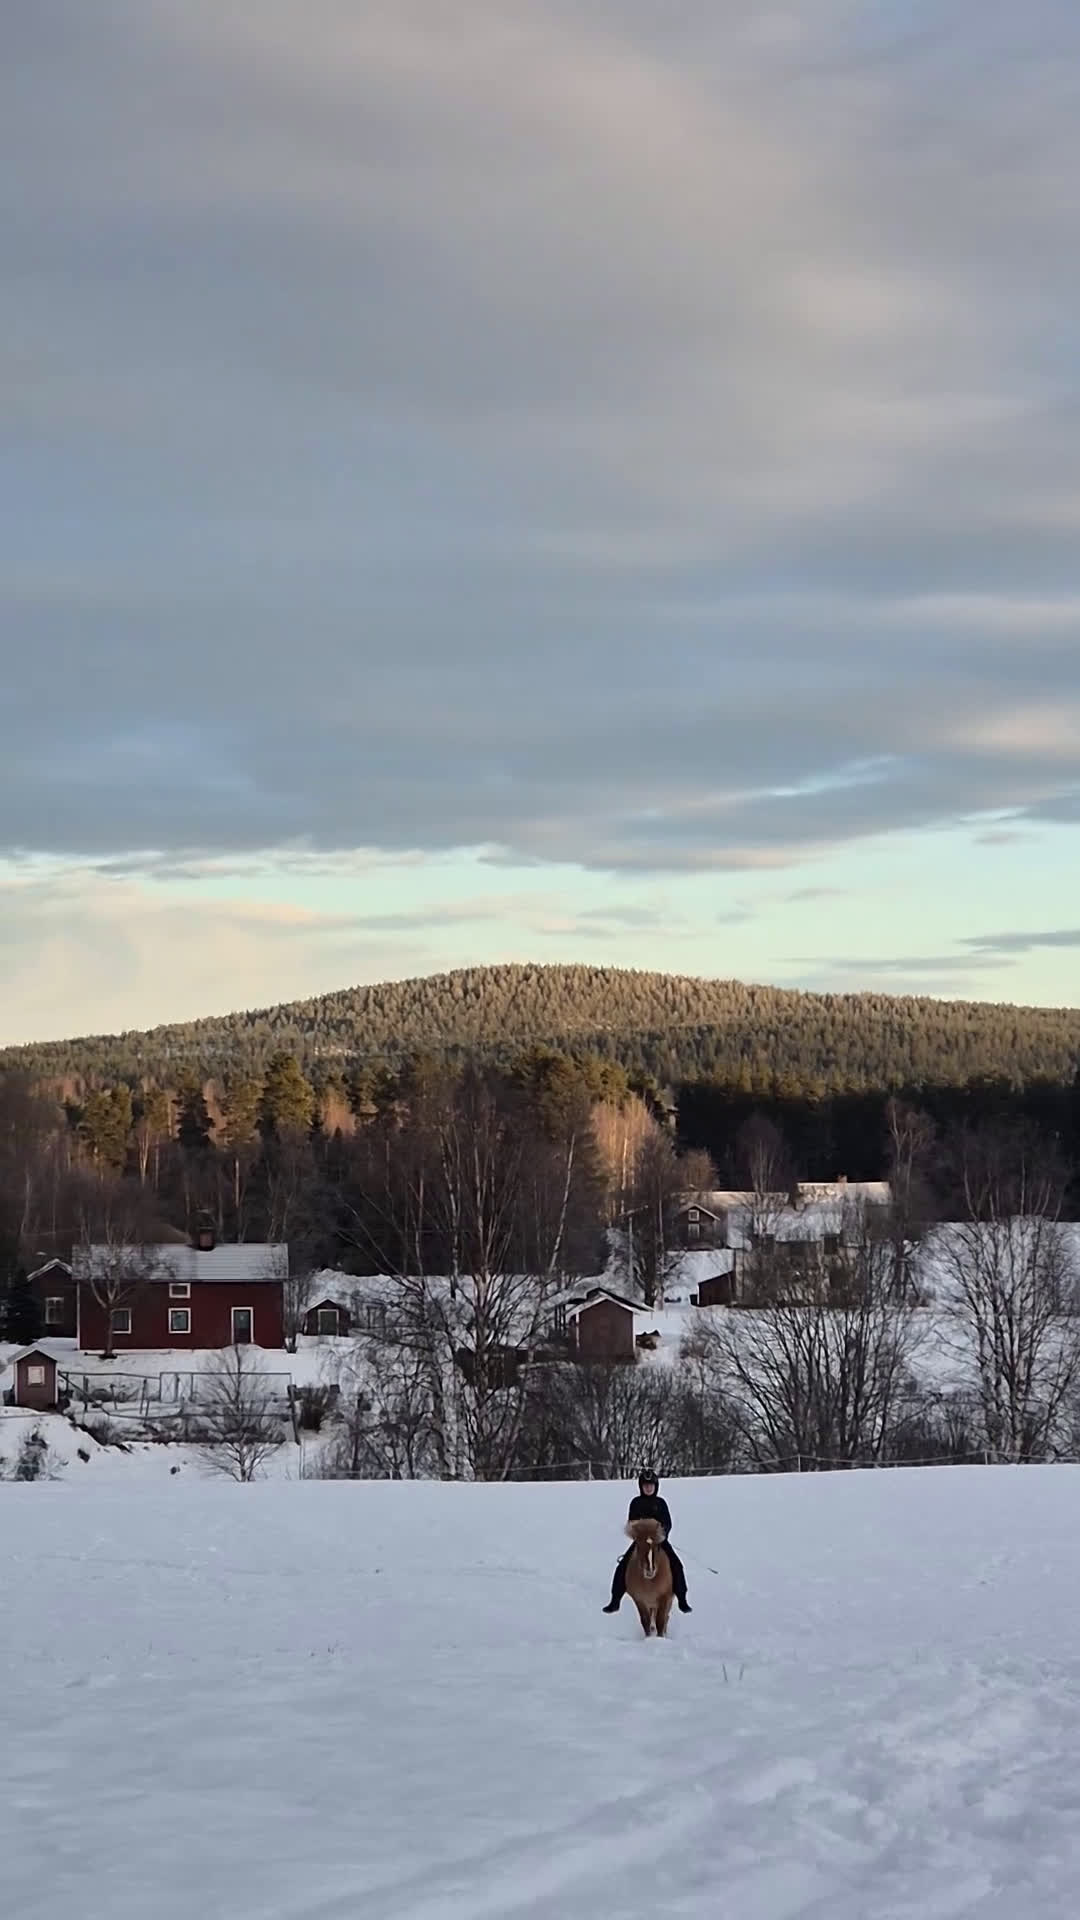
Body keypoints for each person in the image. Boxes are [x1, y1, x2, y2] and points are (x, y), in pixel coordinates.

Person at [602, 1469, 691, 1614]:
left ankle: (682, 1599)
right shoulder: (636, 1503)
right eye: (645, 1485)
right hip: (641, 1542)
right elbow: (632, 1522)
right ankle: (615, 1600)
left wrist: (662, 1534)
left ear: (656, 1486)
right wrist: (638, 1533)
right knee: (623, 1565)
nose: (648, 1488)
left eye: (651, 1485)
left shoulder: (661, 1503)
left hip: (659, 1541)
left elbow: (667, 1523)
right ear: (641, 1487)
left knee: (676, 1564)